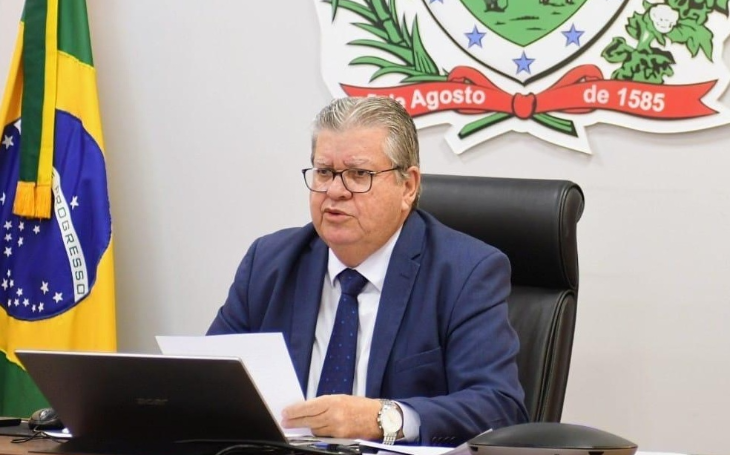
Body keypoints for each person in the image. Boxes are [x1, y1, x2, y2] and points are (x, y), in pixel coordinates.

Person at [207, 96, 528, 446]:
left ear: (408, 187)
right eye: (324, 171)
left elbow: (498, 408)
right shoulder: (269, 263)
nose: (334, 191)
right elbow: (208, 381)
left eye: (359, 174)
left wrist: (383, 418)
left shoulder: (465, 273)